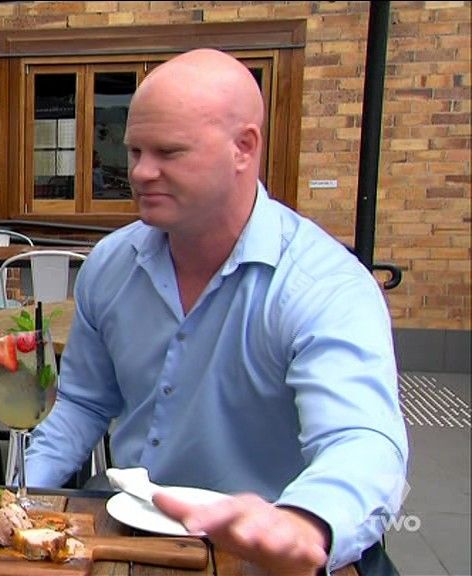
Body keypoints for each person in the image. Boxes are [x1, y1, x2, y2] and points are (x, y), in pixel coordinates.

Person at [25, 49, 408, 575]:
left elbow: (361, 439)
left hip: (269, 555)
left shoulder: (322, 284)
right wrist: (18, 493)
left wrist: (306, 522)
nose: (141, 172)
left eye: (169, 152)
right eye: (134, 150)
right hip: (133, 538)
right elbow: (83, 402)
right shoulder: (110, 265)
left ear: (243, 148)